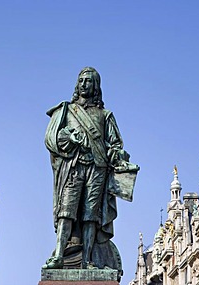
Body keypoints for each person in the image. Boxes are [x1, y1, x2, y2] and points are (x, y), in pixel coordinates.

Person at [43, 67, 133, 270]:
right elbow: (52, 139)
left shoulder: (105, 115)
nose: (84, 84)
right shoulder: (65, 110)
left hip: (97, 168)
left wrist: (115, 153)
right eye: (81, 80)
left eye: (89, 81)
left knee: (91, 215)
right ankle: (59, 255)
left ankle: (88, 260)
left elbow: (116, 143)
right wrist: (69, 138)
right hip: (74, 167)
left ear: (96, 86)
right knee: (66, 211)